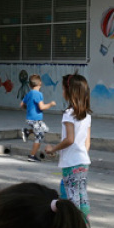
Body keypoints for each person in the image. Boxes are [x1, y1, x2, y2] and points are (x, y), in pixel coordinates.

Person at [45, 74, 92, 219]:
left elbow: (69, 139)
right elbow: (87, 143)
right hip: (83, 161)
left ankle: (73, 226)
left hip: (71, 163)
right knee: (81, 193)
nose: (62, 92)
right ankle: (84, 223)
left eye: (63, 89)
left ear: (69, 91)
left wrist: (53, 149)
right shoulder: (87, 115)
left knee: (71, 198)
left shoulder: (68, 114)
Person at [19, 74, 56, 162]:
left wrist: (27, 108)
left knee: (45, 129)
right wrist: (51, 104)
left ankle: (27, 131)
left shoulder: (29, 94)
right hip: (35, 120)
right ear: (40, 83)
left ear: (30, 85)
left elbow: (21, 105)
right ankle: (32, 156)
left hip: (30, 119)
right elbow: (42, 107)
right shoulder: (39, 94)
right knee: (39, 136)